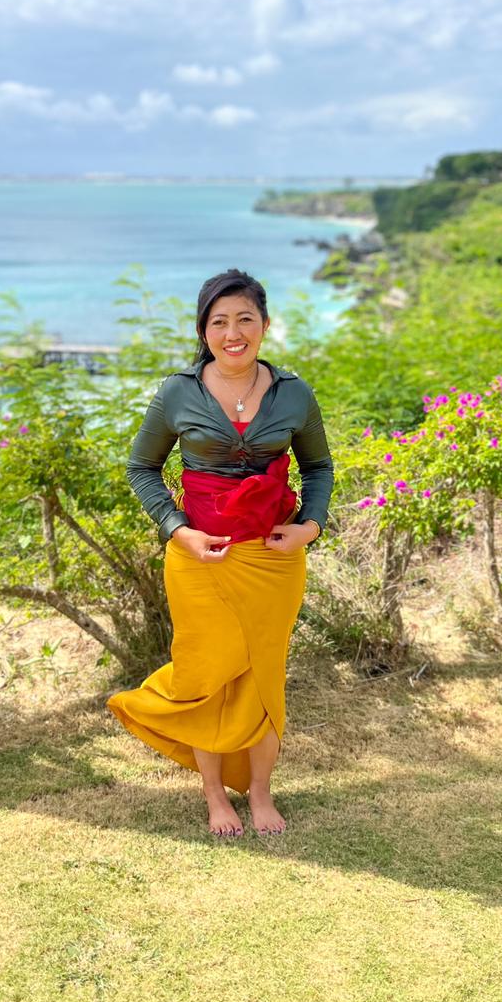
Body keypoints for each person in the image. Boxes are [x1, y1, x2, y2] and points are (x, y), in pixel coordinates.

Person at [108, 268, 333, 838]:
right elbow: (142, 469)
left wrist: (311, 524)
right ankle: (214, 794)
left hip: (274, 559)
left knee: (262, 674)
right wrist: (176, 528)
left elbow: (318, 468)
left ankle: (259, 790)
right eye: (219, 322)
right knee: (206, 674)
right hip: (198, 558)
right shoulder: (177, 392)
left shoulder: (294, 393)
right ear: (204, 330)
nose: (233, 333)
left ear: (264, 325)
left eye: (245, 320)